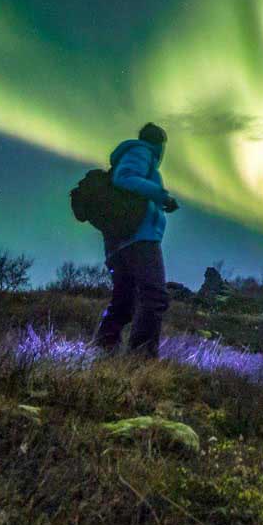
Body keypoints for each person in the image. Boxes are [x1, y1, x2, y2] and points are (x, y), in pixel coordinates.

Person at [92, 122, 179, 358]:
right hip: (140, 241)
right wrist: (161, 195)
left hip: (119, 244)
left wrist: (159, 201)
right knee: (154, 296)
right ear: (159, 145)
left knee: (124, 302)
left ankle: (103, 350)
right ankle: (141, 358)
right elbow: (125, 177)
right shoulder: (142, 152)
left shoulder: (134, 155)